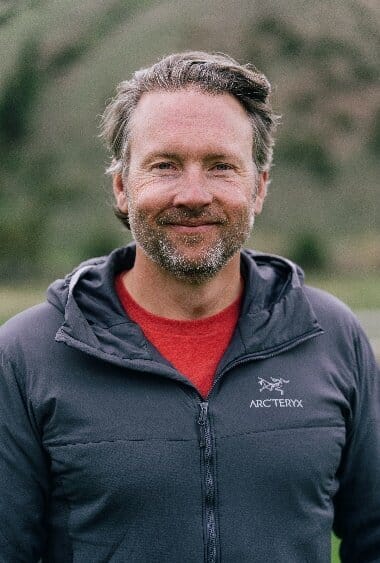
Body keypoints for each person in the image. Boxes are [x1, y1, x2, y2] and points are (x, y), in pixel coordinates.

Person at [0, 51, 379, 563]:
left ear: (259, 187)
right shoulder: (27, 355)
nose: (193, 194)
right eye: (165, 166)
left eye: (221, 166)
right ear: (121, 188)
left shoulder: (332, 336)